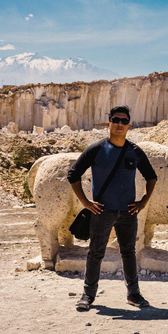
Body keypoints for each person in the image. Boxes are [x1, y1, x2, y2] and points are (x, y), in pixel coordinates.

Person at [67, 106, 158, 311]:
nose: (119, 124)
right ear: (109, 123)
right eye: (116, 120)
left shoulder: (134, 151)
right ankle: (87, 296)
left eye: (124, 121)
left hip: (128, 212)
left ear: (129, 126)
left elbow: (152, 177)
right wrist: (85, 202)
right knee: (95, 253)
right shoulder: (97, 149)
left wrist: (143, 201)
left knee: (128, 253)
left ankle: (133, 295)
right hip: (102, 211)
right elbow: (73, 174)